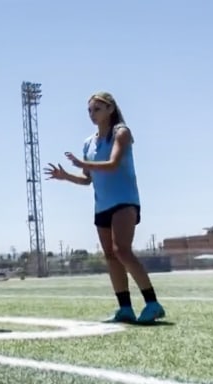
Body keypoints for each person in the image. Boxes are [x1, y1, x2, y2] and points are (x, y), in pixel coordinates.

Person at [43, 91, 165, 324]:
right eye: (89, 110)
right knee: (110, 256)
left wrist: (81, 163)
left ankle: (152, 303)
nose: (92, 114)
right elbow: (87, 179)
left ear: (110, 109)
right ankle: (125, 308)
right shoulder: (89, 142)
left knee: (122, 250)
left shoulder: (122, 132)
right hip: (102, 206)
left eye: (97, 109)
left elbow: (112, 164)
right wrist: (65, 175)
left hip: (124, 201)